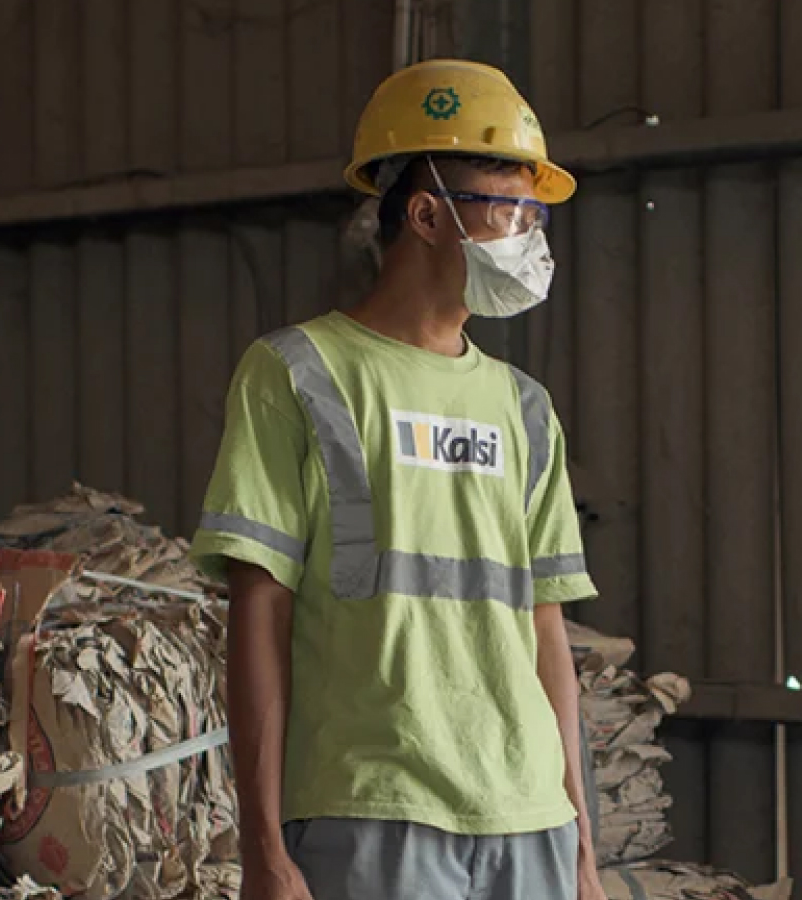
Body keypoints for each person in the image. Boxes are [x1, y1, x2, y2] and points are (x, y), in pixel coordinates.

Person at [190, 59, 604, 900]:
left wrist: (583, 850)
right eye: (511, 209)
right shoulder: (298, 373)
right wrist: (264, 851)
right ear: (425, 213)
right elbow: (258, 612)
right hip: (368, 814)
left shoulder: (524, 408)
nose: (531, 236)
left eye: (538, 212)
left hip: (528, 823)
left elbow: (546, 634)